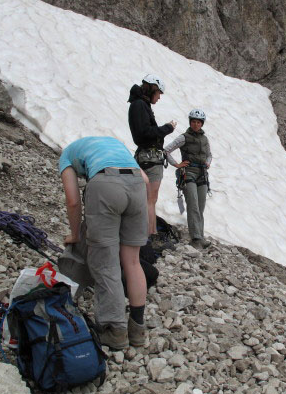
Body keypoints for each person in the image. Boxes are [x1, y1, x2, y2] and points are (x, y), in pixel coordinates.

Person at [58, 136, 149, 350]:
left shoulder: (67, 155)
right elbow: (145, 180)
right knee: (133, 262)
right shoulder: (115, 145)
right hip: (137, 186)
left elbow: (72, 200)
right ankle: (137, 330)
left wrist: (75, 235)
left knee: (106, 263)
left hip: (105, 186)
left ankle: (114, 330)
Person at [128, 74, 176, 238]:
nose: (159, 97)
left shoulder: (138, 104)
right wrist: (167, 128)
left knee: (145, 197)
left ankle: (143, 231)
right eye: (159, 94)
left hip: (143, 157)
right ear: (152, 89)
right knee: (151, 199)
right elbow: (145, 133)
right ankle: (151, 234)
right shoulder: (140, 105)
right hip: (151, 158)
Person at [164, 109, 212, 249]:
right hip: (188, 173)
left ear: (201, 123)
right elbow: (166, 150)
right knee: (193, 204)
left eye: (198, 122)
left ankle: (200, 237)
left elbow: (209, 154)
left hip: (202, 173)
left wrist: (208, 162)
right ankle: (196, 239)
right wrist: (177, 164)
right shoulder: (183, 137)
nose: (196, 124)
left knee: (200, 206)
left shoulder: (204, 139)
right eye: (194, 122)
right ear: (190, 122)